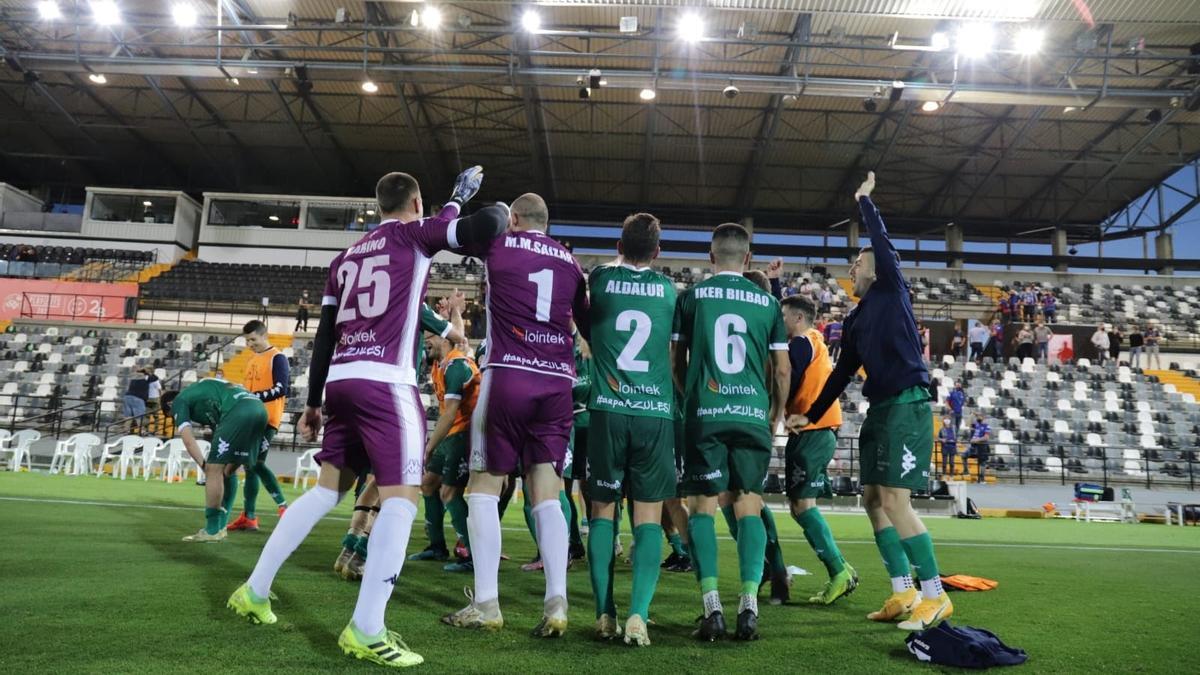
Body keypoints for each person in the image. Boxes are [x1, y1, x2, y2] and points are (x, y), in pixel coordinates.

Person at [228, 166, 504, 668]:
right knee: (402, 501)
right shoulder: (415, 235)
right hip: (385, 383)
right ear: (415, 204)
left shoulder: (345, 257)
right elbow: (488, 226)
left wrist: (313, 401)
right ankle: (366, 628)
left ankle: (254, 589)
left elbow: (327, 332)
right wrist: (464, 201)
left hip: (341, 381)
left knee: (326, 491)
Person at [792, 172, 953, 631]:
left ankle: (935, 596)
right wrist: (812, 411)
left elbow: (880, 243)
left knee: (897, 500)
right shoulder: (858, 318)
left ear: (877, 268)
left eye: (859, 260)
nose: (853, 266)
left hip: (907, 404)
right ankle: (903, 589)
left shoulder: (891, 289)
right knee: (872, 499)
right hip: (881, 410)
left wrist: (866, 202)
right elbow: (842, 373)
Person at [442, 193, 590, 639]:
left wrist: (454, 203)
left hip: (509, 374)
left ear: (516, 218)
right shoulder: (570, 261)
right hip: (557, 382)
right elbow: (585, 320)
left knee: (483, 488)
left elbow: (450, 236)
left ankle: (487, 603)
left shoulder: (500, 244)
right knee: (547, 492)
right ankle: (557, 600)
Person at [671, 222, 789, 642]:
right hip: (752, 414)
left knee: (702, 506)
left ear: (710, 257)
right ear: (749, 258)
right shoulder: (768, 302)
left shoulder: (691, 297)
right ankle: (749, 605)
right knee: (748, 504)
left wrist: (691, 397)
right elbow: (782, 369)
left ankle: (712, 608)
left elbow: (675, 360)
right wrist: (774, 413)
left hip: (706, 410)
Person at [581, 212, 677, 646]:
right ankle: (638, 616)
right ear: (657, 252)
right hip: (655, 412)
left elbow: (588, 322)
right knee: (648, 516)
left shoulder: (600, 278)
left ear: (619, 245)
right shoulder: (669, 290)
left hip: (607, 409)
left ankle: (605, 614)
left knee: (602, 511)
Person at [780, 295, 858, 605]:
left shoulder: (801, 342)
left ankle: (838, 571)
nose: (779, 321)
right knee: (799, 505)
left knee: (802, 505)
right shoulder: (814, 339)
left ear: (798, 318)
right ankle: (842, 567)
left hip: (812, 430)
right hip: (817, 430)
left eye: (783, 316)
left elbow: (787, 376)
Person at [162, 378, 269, 542]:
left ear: (170, 406)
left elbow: (188, 441)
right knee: (225, 471)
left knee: (214, 469)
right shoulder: (205, 397)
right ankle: (220, 527)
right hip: (259, 409)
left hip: (239, 410)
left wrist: (205, 467)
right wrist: (219, 470)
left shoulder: (179, 401)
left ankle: (211, 530)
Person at [418, 307, 478, 574]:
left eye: (428, 336)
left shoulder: (457, 366)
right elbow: (458, 335)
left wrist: (429, 446)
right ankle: (437, 546)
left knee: (450, 492)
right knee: (428, 484)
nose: (425, 341)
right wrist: (454, 311)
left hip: (465, 434)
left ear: (442, 339)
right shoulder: (440, 364)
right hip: (450, 433)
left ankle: (472, 555)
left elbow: (451, 412)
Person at [227, 320, 291, 532]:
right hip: (250, 418)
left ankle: (283, 506)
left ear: (264, 336)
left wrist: (253, 396)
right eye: (247, 341)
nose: (250, 344)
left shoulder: (277, 357)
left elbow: (281, 389)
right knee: (249, 465)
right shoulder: (252, 359)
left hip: (267, 419)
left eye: (253, 339)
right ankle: (249, 517)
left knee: (255, 463)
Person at [122, 368, 157, 434]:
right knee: (139, 416)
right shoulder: (145, 380)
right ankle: (142, 431)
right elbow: (155, 377)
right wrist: (148, 372)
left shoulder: (133, 379)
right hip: (137, 398)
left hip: (127, 397)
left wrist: (139, 370)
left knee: (128, 416)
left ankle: (126, 430)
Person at [965, 413, 990, 483]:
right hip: (974, 446)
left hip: (982, 446)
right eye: (978, 416)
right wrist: (972, 414)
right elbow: (967, 423)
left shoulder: (986, 426)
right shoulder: (977, 425)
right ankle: (966, 471)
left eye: (980, 416)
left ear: (983, 417)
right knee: (964, 456)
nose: (978, 417)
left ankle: (982, 479)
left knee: (982, 462)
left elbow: (986, 437)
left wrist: (977, 440)